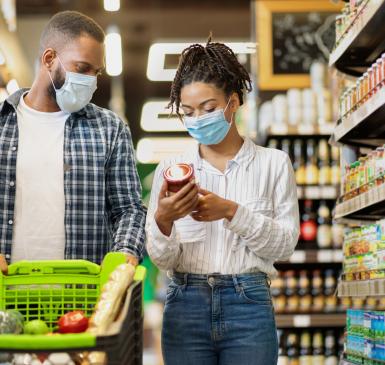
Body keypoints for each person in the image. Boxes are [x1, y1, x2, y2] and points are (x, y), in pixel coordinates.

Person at [146, 38, 300, 365]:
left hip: (250, 307)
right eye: (187, 112)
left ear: (233, 102)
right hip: (185, 304)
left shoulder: (274, 164)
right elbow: (162, 259)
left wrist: (231, 212)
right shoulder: (170, 171)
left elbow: (285, 246)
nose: (197, 119)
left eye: (208, 108)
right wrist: (164, 219)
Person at [0, 11, 146, 273]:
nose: (90, 80)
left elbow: (129, 210)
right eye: (82, 68)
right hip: (6, 294)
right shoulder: (2, 125)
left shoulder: (109, 130)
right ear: (49, 59)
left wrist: (126, 251)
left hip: (82, 296)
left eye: (96, 72)